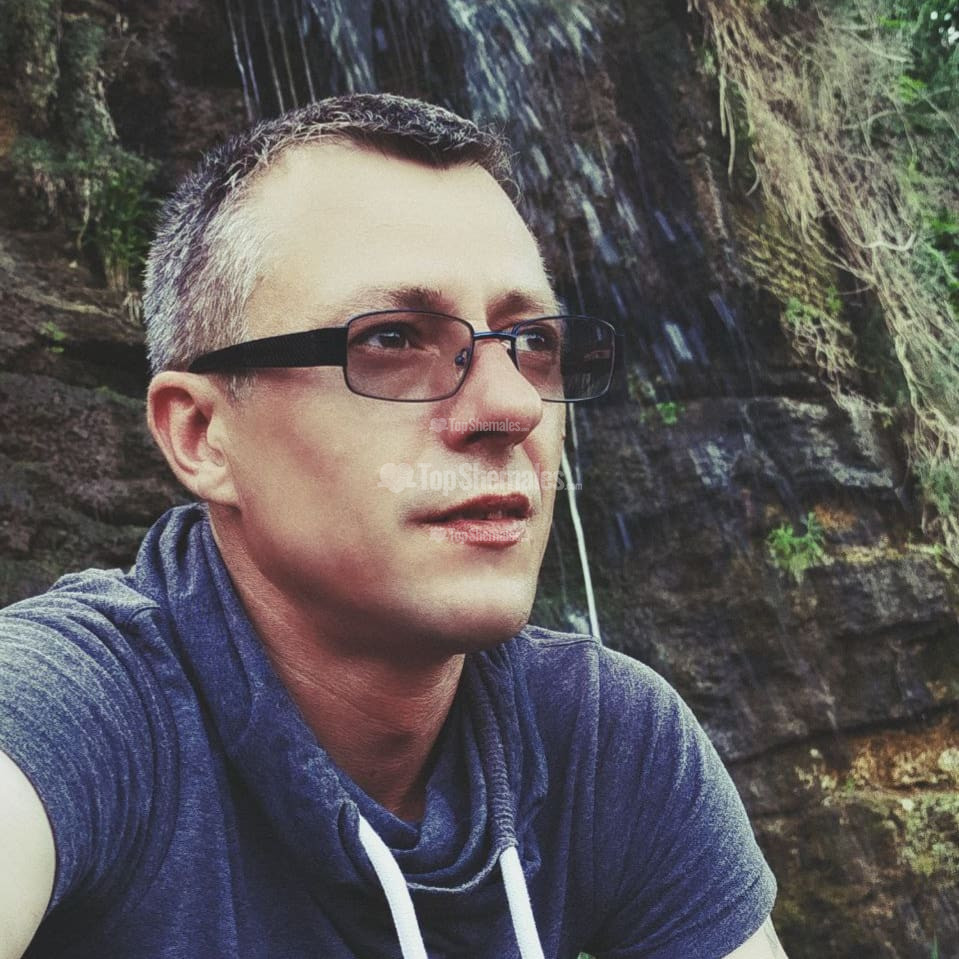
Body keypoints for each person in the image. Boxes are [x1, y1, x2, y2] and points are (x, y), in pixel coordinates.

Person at [0, 93, 787, 958]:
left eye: (530, 342)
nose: (513, 406)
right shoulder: (75, 712)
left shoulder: (607, 740)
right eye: (390, 340)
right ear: (201, 434)